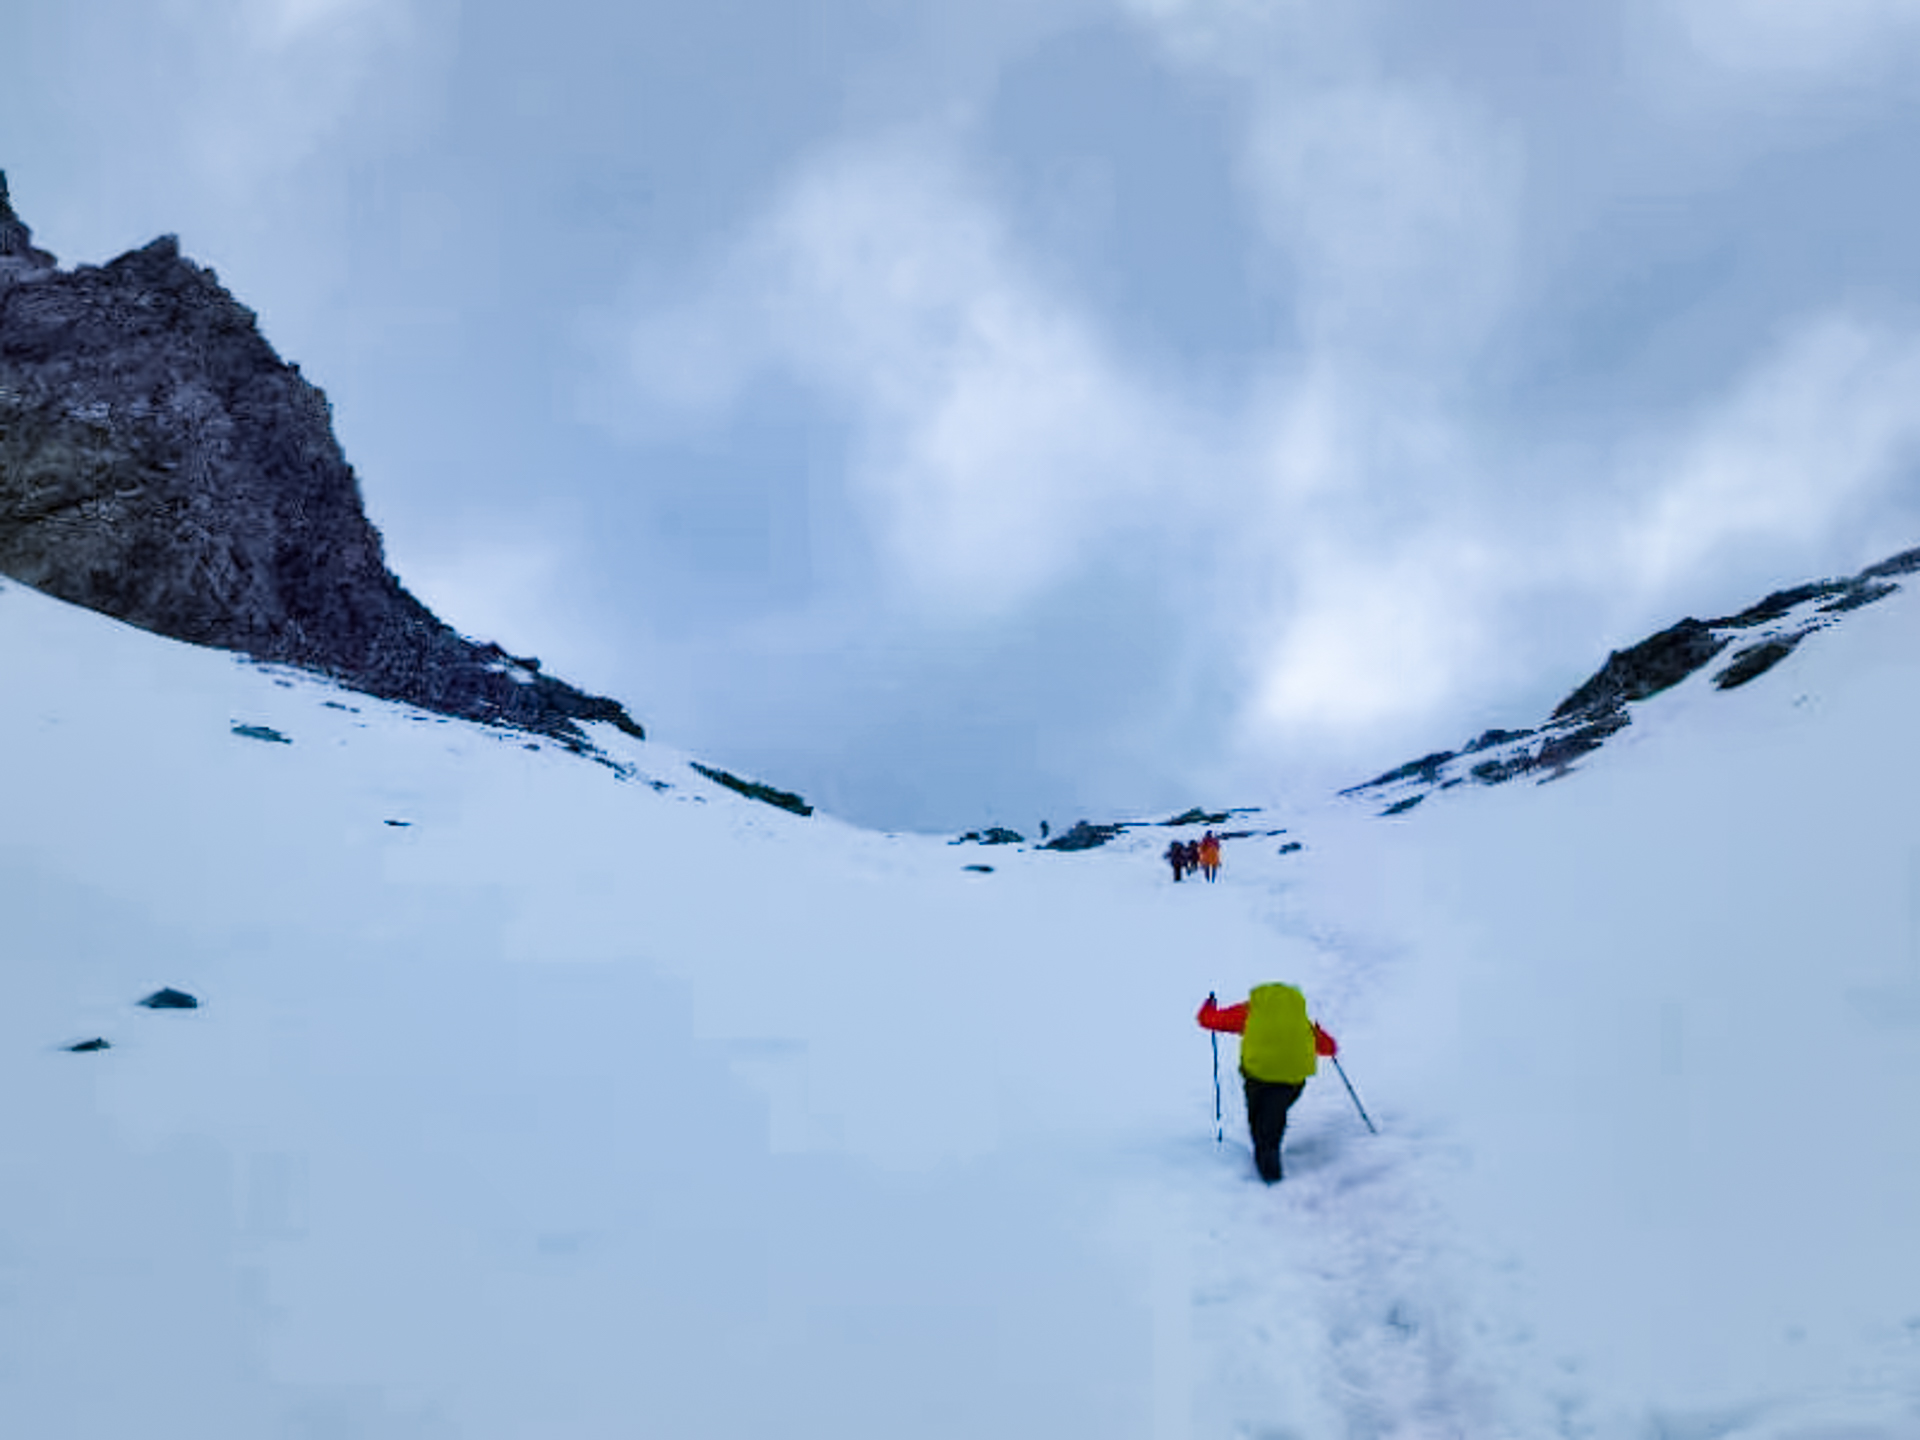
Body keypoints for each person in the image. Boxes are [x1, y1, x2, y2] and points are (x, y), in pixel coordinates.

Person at [1197, 984, 1338, 1183]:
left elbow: (1208, 1020)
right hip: (1293, 1080)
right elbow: (1329, 1047)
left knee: (1261, 1122)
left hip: (1259, 1077)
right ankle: (1268, 1154)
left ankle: (1269, 1175)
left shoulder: (1250, 1011)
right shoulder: (1300, 1020)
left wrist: (1208, 1006)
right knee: (1273, 1116)